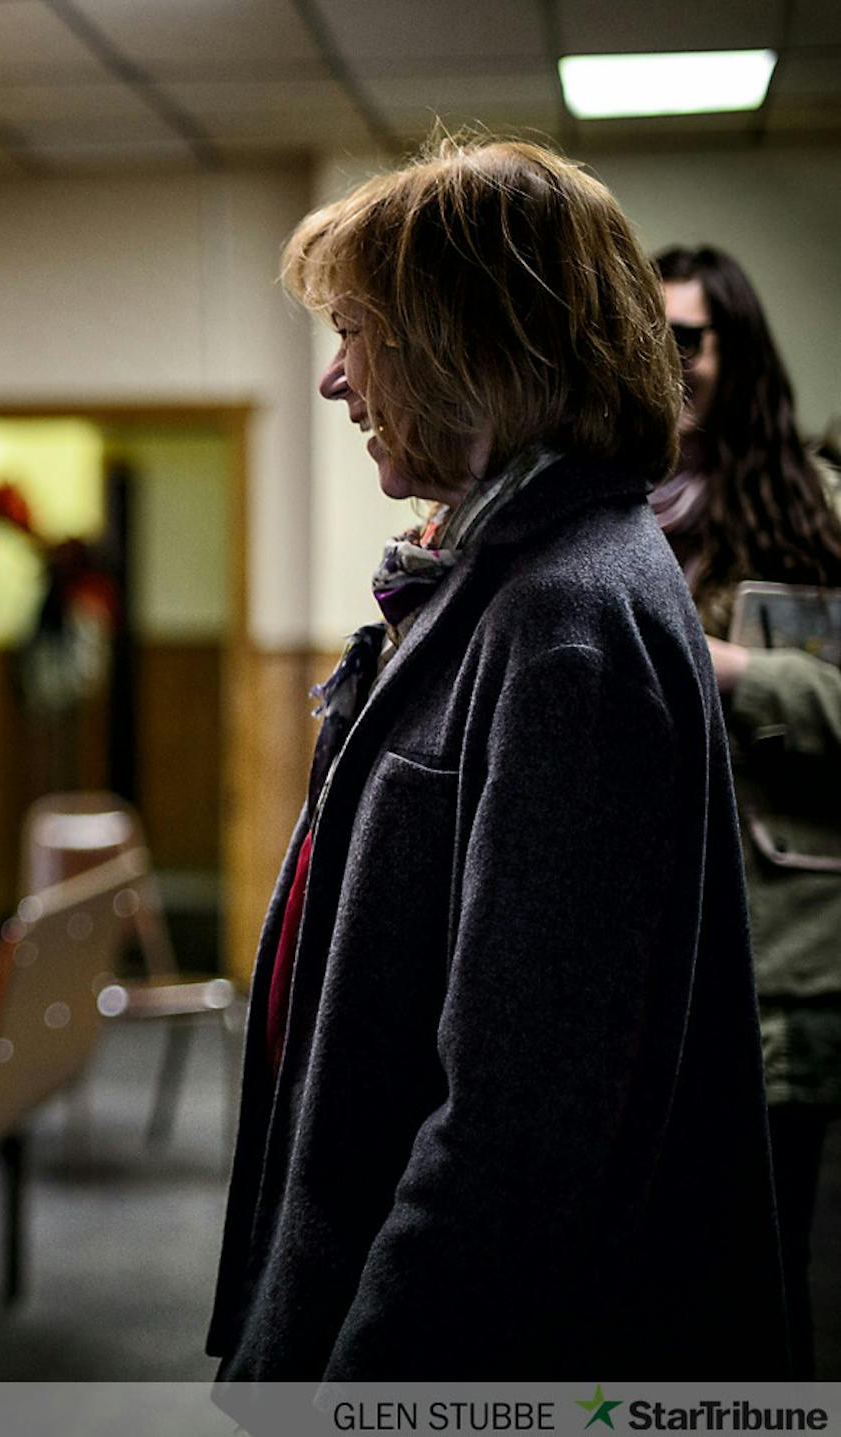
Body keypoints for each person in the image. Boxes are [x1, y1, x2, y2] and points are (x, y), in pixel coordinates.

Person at [208, 138, 789, 1385]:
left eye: (359, 333)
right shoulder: (500, 573)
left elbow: (516, 1138)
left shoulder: (563, 621)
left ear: (473, 347)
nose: (333, 380)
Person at [652, 244, 841, 1376]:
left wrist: (732, 672)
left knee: (762, 1283)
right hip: (650, 949)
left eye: (694, 339)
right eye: (655, 336)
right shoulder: (617, 502)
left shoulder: (811, 513)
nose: (672, 363)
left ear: (739, 353)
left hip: (780, 953)